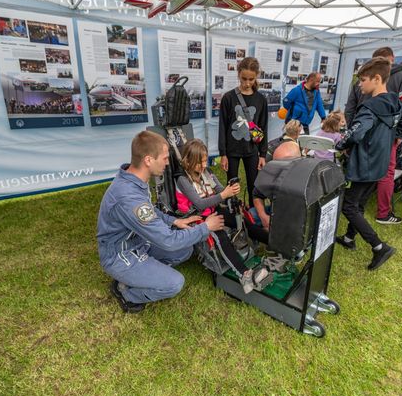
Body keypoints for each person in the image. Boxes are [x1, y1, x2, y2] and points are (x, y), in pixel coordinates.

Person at [96, 131, 225, 313]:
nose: (167, 163)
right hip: (120, 255)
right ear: (148, 160)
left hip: (139, 243)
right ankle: (125, 292)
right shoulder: (128, 197)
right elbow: (168, 240)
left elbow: (150, 210)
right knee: (174, 283)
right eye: (164, 158)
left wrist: (175, 221)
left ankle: (146, 273)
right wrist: (206, 227)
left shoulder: (135, 180)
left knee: (185, 250)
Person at [335, 57, 402, 271]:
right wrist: (390, 138)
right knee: (359, 203)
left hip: (366, 163)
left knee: (348, 206)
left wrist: (341, 143)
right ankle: (349, 238)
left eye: (363, 80)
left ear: (377, 79)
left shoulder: (369, 107)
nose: (359, 85)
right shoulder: (394, 101)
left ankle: (379, 247)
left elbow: (356, 133)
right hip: (380, 163)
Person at [175, 139, 270, 293]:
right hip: (196, 217)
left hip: (212, 210)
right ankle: (245, 275)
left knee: (244, 222)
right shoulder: (183, 180)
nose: (204, 165)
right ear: (189, 161)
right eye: (200, 162)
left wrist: (230, 191)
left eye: (205, 161)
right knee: (220, 236)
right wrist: (224, 195)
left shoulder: (206, 173)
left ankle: (274, 242)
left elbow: (220, 189)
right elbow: (199, 204)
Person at [345, 47, 402, 225]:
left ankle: (373, 214)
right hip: (380, 138)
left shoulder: (396, 77)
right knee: (382, 173)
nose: (361, 84)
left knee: (369, 174)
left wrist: (349, 135)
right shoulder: (400, 78)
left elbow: (350, 110)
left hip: (367, 136)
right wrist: (395, 134)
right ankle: (378, 214)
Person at [219, 57, 268, 208]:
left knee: (254, 185)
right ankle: (233, 214)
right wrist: (223, 154)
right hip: (232, 150)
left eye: (251, 79)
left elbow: (263, 127)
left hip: (252, 150)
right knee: (232, 186)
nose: (247, 83)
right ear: (238, 74)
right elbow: (222, 126)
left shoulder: (261, 100)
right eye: (244, 79)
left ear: (257, 76)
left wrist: (263, 154)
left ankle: (254, 214)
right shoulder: (228, 97)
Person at [252, 142, 302, 230]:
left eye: (281, 163)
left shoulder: (308, 178)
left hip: (297, 219)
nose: (276, 168)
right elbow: (256, 195)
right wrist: (263, 216)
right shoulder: (273, 173)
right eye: (275, 163)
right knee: (252, 213)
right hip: (276, 212)